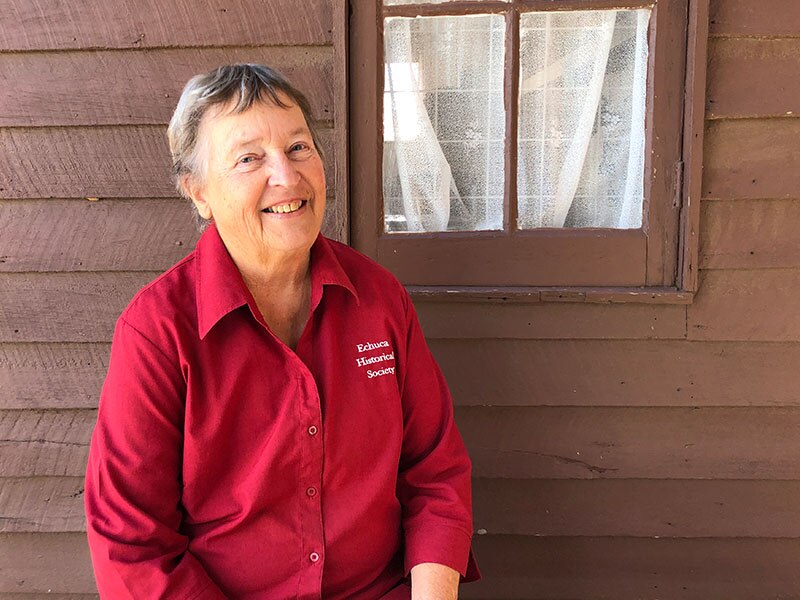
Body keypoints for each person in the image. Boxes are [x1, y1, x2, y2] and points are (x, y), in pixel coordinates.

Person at [84, 63, 479, 599]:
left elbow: (434, 471)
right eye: (249, 159)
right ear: (197, 192)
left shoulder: (379, 298)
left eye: (298, 149)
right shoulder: (158, 331)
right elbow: (131, 545)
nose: (287, 177)